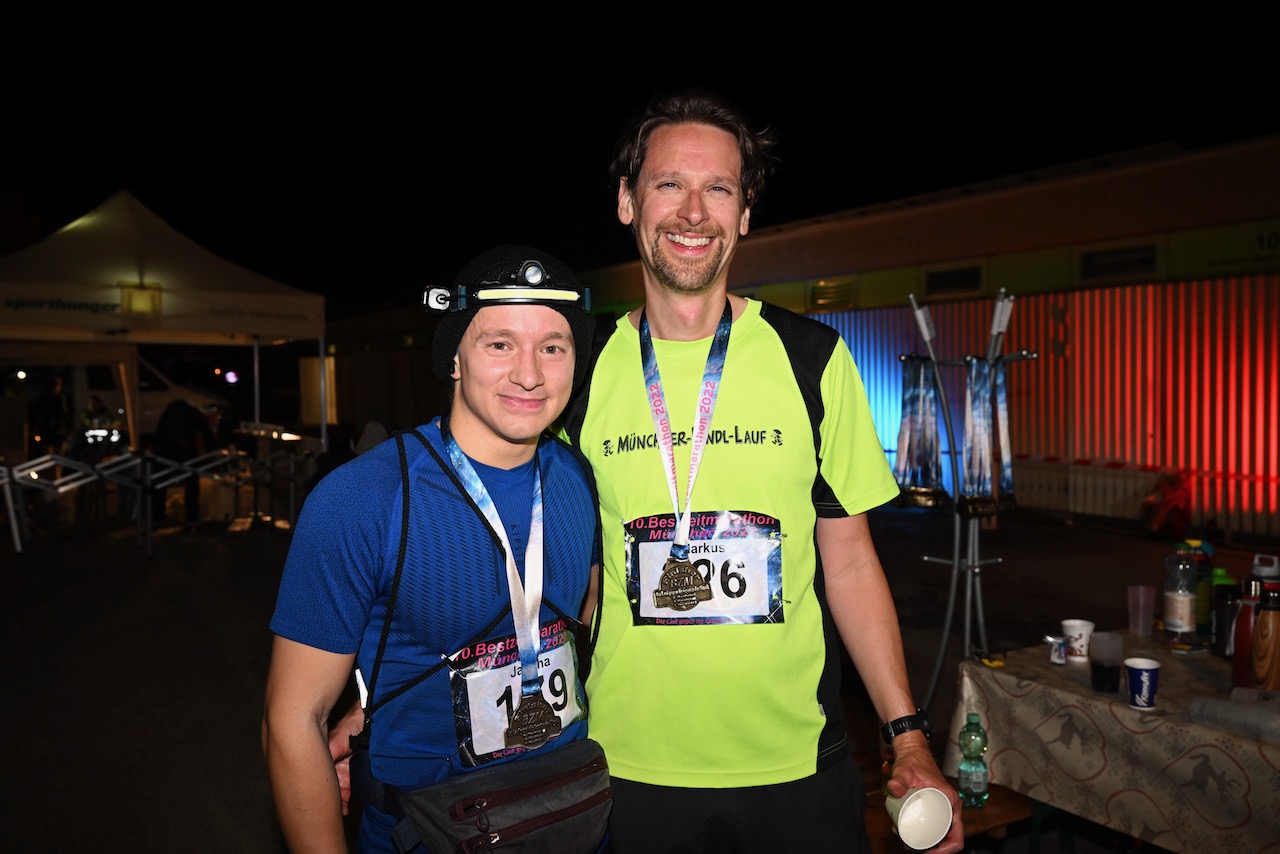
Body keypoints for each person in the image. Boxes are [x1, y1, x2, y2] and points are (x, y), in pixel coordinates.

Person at [554, 91, 964, 852]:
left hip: (797, 770)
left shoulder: (814, 360)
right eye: (668, 184)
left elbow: (848, 564)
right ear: (625, 202)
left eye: (720, 189)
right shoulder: (576, 370)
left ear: (745, 213)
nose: (692, 212)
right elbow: (543, 567)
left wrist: (906, 735)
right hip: (625, 768)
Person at [262, 245, 602, 854]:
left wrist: (387, 697)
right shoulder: (361, 499)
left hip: (568, 820)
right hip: (422, 833)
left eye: (553, 347)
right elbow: (291, 723)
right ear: (453, 359)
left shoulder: (578, 477)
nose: (530, 373)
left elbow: (576, 617)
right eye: (499, 344)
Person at [152, 397, 217, 528]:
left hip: (166, 450)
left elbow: (159, 434)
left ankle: (157, 516)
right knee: (192, 482)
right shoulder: (192, 412)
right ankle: (191, 516)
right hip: (186, 450)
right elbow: (205, 429)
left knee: (160, 483)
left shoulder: (167, 413)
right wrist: (212, 449)